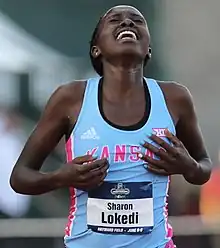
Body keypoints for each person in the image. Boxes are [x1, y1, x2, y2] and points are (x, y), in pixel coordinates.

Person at [10, 5, 212, 248]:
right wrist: (61, 177)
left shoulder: (174, 98)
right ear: (96, 49)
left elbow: (204, 168)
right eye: (115, 20)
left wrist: (187, 166)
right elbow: (20, 178)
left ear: (148, 48)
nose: (127, 23)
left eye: (137, 20)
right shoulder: (71, 98)